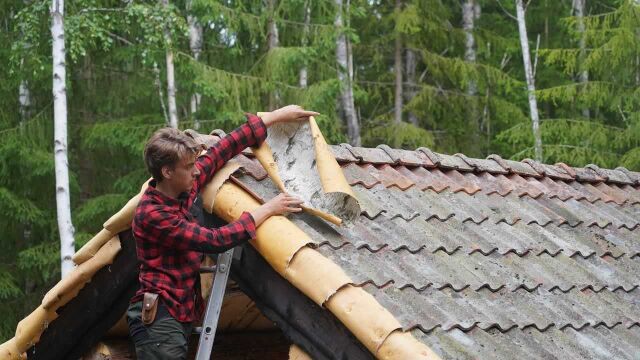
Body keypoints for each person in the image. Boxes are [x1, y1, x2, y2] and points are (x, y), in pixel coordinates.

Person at [126, 105, 318, 359]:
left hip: (177, 312)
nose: (196, 171)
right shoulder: (153, 215)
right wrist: (269, 208)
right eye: (189, 166)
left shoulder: (183, 189)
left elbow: (221, 151)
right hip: (160, 320)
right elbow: (215, 240)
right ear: (167, 172)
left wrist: (275, 116)